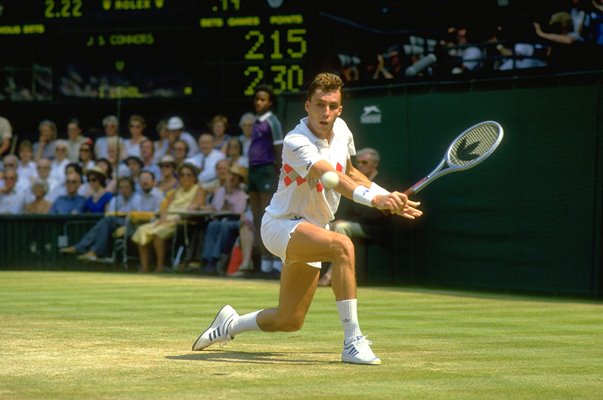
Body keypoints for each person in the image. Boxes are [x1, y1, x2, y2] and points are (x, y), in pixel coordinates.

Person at [191, 73, 422, 365]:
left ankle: (229, 325)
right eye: (319, 104)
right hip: (280, 225)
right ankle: (352, 342)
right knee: (343, 246)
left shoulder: (343, 131)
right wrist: (375, 200)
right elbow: (332, 177)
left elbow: (350, 172)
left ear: (340, 108)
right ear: (307, 106)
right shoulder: (296, 140)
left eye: (332, 105)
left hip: (312, 229)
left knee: (289, 319)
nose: (325, 112)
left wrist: (387, 196)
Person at [318, 148, 392, 286]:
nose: (361, 165)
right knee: (329, 227)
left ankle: (331, 275)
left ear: (375, 164)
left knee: (341, 226)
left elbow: (377, 216)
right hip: (356, 225)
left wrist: (347, 221)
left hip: (376, 229)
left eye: (365, 162)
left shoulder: (382, 183)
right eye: (358, 162)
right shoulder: (354, 185)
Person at [131, 163, 204, 273]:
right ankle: (144, 267)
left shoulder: (198, 190)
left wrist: (179, 217)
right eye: (182, 175)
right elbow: (165, 208)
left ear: (194, 178)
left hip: (181, 221)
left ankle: (159, 266)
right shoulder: (176, 191)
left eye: (188, 175)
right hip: (167, 220)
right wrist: (163, 219)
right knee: (142, 230)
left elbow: (197, 206)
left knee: (158, 233)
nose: (185, 178)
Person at [60, 177, 143, 261]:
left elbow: (137, 214)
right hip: (115, 221)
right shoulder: (116, 199)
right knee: (104, 223)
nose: (124, 190)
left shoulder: (137, 198)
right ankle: (92, 252)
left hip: (132, 223)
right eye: (121, 187)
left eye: (127, 187)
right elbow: (110, 213)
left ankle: (82, 248)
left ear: (132, 188)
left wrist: (124, 214)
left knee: (106, 221)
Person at [248, 84, 284, 274]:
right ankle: (264, 263)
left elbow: (279, 147)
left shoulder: (273, 122)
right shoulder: (256, 121)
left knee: (267, 216)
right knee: (256, 218)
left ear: (270, 102)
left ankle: (276, 263)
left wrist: (280, 171)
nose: (259, 102)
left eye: (263, 99)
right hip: (253, 171)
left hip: (267, 171)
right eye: (257, 99)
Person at [200, 164, 249, 275]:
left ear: (239, 180)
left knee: (224, 226)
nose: (232, 178)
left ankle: (215, 259)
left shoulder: (241, 194)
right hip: (220, 218)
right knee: (212, 225)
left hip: (233, 221)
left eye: (236, 177)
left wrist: (228, 207)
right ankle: (207, 258)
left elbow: (239, 212)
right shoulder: (220, 191)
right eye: (231, 175)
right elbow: (215, 208)